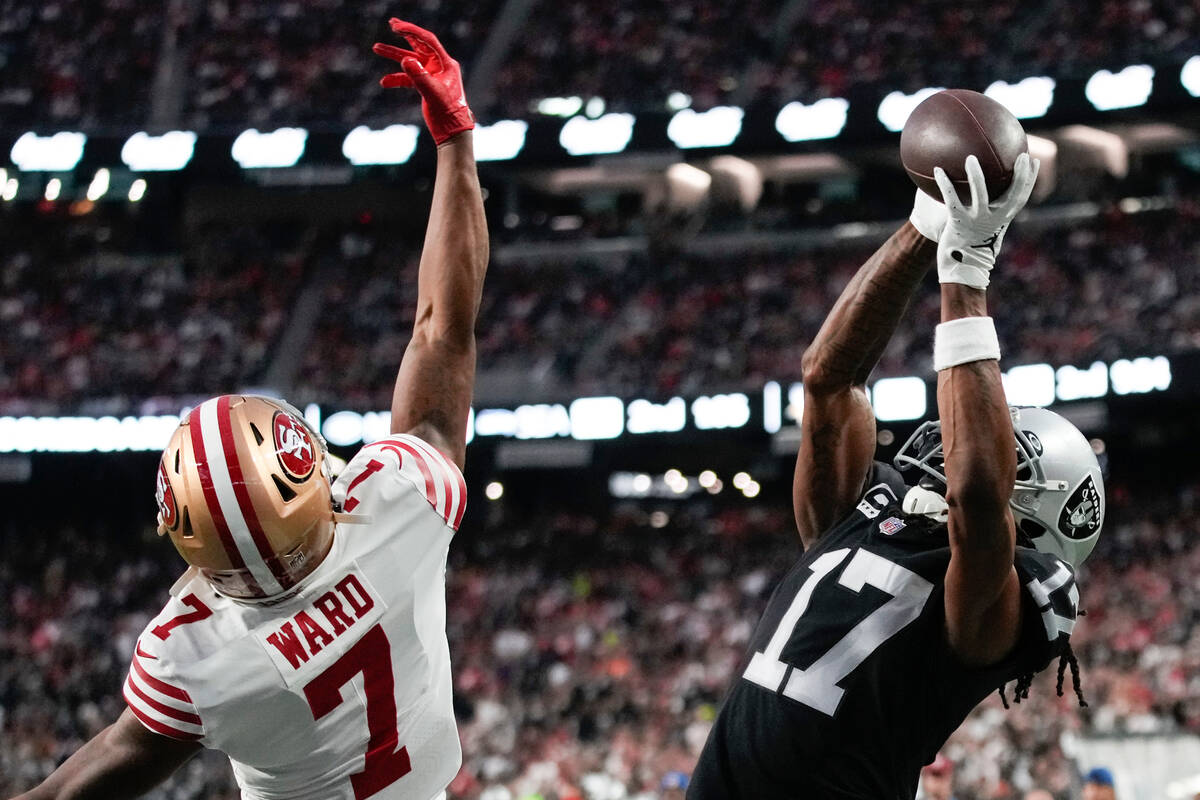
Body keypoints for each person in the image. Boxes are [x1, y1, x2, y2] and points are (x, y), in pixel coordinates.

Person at [10, 19, 487, 800]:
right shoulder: (400, 508)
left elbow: (67, 794)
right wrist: (456, 145)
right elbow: (442, 331)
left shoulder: (194, 662)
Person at [688, 153, 1104, 799]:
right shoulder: (858, 514)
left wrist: (965, 276)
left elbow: (977, 498)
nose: (965, 437)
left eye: (1008, 448)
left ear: (1038, 507)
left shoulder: (1001, 605)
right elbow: (830, 378)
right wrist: (922, 229)